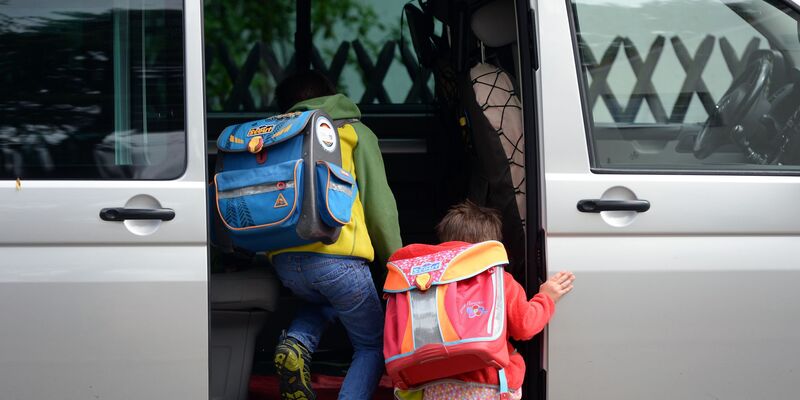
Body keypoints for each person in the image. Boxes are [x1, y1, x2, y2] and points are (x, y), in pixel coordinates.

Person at [270, 70, 402, 400]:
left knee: (326, 302)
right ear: (332, 96)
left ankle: (296, 343)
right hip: (338, 260)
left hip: (286, 263)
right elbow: (379, 206)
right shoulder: (352, 132)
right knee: (372, 344)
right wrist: (398, 265)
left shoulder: (274, 134)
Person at [390, 201, 574, 399]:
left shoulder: (423, 284)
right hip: (487, 386)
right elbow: (524, 325)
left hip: (434, 387)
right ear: (489, 247)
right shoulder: (497, 279)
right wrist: (546, 297)